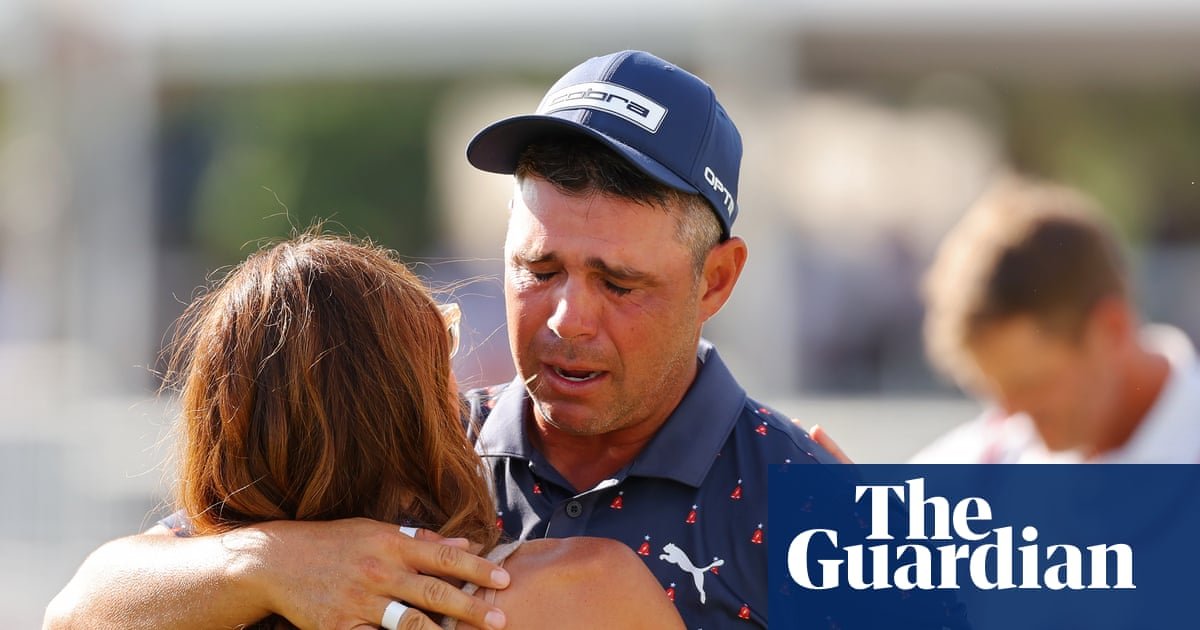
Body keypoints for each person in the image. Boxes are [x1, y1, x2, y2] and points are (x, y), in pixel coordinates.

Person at [46, 50, 963, 630]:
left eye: (619, 282)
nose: (567, 319)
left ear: (715, 281)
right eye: (539, 269)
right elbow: (82, 610)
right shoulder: (420, 433)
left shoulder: (814, 504)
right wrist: (271, 563)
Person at [53, 232, 684, 630]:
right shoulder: (589, 592)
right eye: (443, 347)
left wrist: (262, 566)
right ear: (413, 402)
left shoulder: (175, 602)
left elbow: (70, 615)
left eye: (620, 281)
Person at [912, 175, 1200, 463]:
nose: (1012, 413)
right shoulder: (986, 464)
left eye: (1031, 383)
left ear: (1111, 329)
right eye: (997, 391)